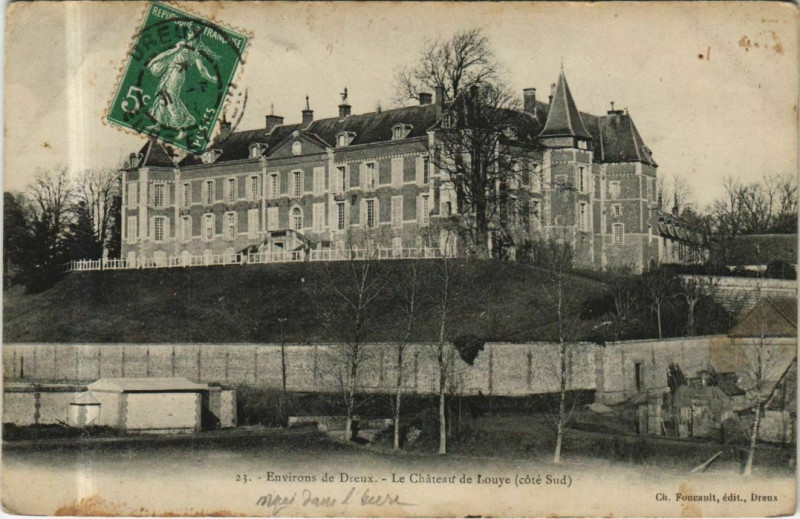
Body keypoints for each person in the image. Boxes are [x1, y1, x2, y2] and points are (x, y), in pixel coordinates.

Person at [146, 26, 218, 140]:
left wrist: (210, 77)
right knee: (162, 97)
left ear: (195, 35)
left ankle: (183, 127)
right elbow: (169, 52)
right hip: (170, 70)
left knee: (171, 99)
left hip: (178, 73)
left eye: (190, 32)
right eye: (188, 32)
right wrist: (154, 61)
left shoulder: (197, 49)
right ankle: (158, 124)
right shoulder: (183, 43)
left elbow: (201, 68)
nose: (188, 34)